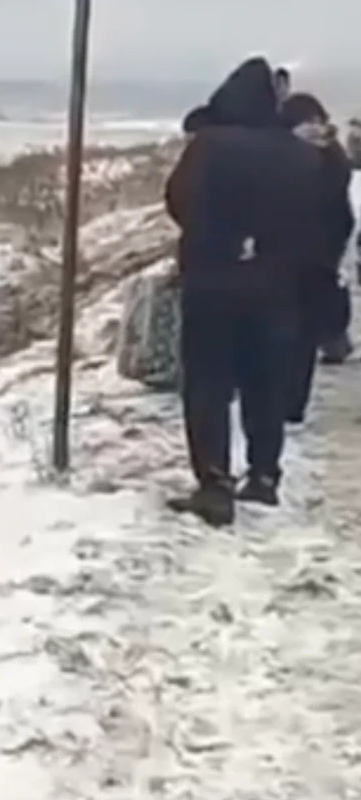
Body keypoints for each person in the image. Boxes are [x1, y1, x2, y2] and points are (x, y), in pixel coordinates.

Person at [163, 57, 328, 525]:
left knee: (209, 382)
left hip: (212, 281)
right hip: (275, 286)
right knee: (265, 380)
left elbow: (178, 199)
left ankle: (215, 482)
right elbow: (314, 218)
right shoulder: (301, 155)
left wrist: (219, 241)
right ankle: (264, 475)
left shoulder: (209, 146)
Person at [279, 92, 354, 412]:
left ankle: (290, 403)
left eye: (314, 120)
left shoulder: (302, 157)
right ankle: (291, 402)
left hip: (305, 256)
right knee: (301, 333)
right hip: (314, 256)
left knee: (296, 334)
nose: (312, 127)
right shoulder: (332, 154)